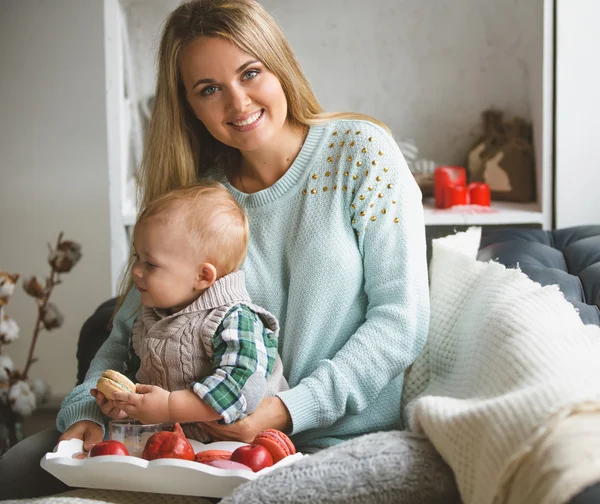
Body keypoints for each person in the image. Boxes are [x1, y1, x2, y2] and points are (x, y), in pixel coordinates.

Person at [0, 0, 430, 498]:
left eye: (250, 73)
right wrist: (88, 412)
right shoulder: (199, 201)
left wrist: (286, 411)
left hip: (331, 440)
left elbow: (401, 319)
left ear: (280, 64)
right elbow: (124, 338)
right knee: (14, 471)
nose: (238, 102)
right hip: (192, 446)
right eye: (209, 89)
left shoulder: (361, 152)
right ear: (188, 105)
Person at [93, 181, 288, 441]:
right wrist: (126, 405)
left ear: (202, 276)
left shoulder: (234, 318)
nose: (136, 271)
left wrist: (170, 407)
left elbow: (239, 385)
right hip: (173, 448)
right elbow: (142, 382)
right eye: (136, 257)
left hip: (239, 449)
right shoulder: (150, 318)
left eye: (150, 263)